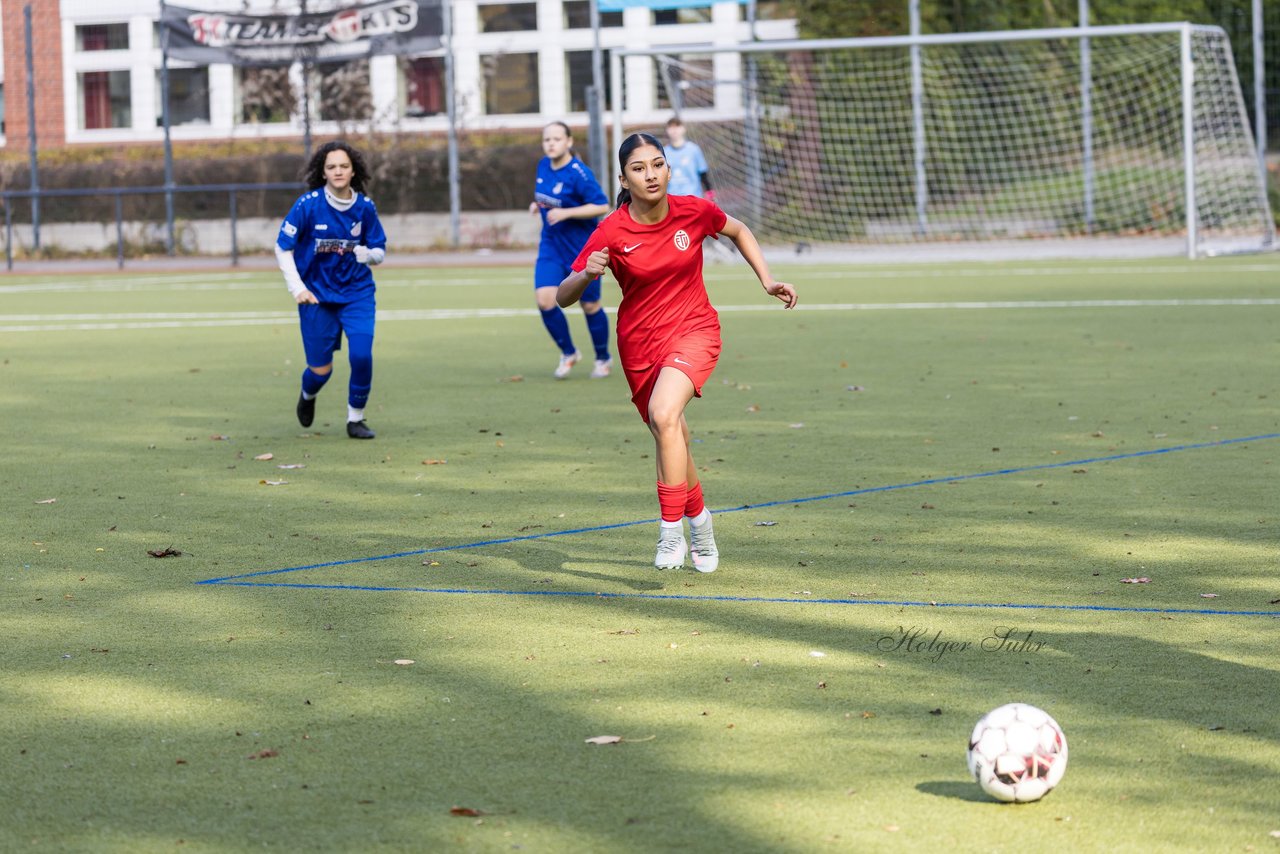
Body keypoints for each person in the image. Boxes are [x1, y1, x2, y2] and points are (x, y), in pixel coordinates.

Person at [558, 132, 797, 573]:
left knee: (665, 415)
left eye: (657, 164)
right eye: (638, 168)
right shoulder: (611, 230)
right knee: (673, 437)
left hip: (695, 332)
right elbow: (562, 296)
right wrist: (586, 274)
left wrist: (766, 279)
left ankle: (671, 533)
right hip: (639, 346)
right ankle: (701, 522)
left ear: (669, 168)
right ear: (624, 179)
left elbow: (739, 229)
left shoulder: (694, 210)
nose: (650, 174)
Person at [276, 140, 388, 439]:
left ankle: (356, 419)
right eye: (331, 167)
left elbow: (379, 250)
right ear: (323, 172)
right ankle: (308, 395)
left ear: (353, 171)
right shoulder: (308, 205)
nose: (338, 171)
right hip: (316, 297)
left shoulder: (365, 207)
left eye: (344, 166)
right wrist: (297, 288)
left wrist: (370, 255)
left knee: (362, 356)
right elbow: (282, 247)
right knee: (320, 372)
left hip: (357, 293)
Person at [529, 122, 613, 379]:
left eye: (557, 139)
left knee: (590, 305)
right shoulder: (544, 164)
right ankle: (569, 352)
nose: (551, 143)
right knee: (545, 300)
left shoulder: (579, 173)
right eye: (547, 139)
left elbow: (602, 205)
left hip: (582, 249)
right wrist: (537, 205)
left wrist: (566, 213)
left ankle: (603, 357)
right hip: (551, 245)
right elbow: (548, 197)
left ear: (569, 141)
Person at [664, 117, 713, 200]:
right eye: (671, 127)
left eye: (677, 126)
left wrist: (709, 192)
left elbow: (703, 173)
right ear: (667, 130)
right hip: (672, 200)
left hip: (693, 197)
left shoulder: (694, 149)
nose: (674, 130)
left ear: (683, 129)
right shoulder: (664, 152)